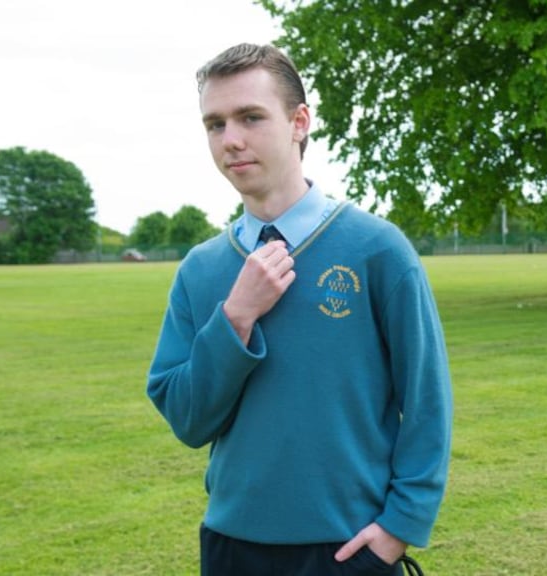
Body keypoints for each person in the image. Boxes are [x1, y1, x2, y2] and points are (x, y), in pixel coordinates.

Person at [146, 43, 453, 576]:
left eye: (250, 117)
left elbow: (427, 401)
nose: (231, 140)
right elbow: (188, 421)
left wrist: (400, 527)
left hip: (349, 549)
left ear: (299, 122)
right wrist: (236, 317)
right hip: (231, 545)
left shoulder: (377, 250)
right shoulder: (200, 270)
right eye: (214, 125)